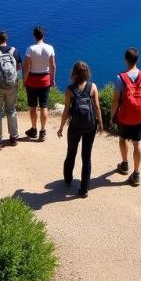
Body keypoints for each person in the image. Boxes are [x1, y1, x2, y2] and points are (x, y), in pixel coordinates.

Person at [57, 61, 103, 198]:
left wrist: (61, 127)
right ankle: (84, 190)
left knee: (71, 152)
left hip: (75, 126)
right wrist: (100, 123)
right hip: (90, 126)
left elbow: (66, 110)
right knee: (86, 156)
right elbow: (96, 107)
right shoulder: (93, 87)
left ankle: (68, 179)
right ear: (87, 73)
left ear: (74, 74)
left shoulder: (69, 90)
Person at [111, 47, 141, 187]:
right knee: (137, 142)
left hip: (124, 116)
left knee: (122, 139)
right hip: (140, 115)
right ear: (138, 59)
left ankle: (125, 164)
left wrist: (112, 116)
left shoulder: (120, 78)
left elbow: (116, 100)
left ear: (125, 60)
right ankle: (136, 173)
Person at [23, 26, 56, 140]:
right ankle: (43, 131)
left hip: (32, 80)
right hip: (45, 80)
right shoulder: (50, 48)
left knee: (33, 107)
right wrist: (52, 79)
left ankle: (34, 129)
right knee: (44, 106)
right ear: (43, 35)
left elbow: (26, 67)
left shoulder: (30, 49)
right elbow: (53, 66)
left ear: (34, 35)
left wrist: (24, 80)